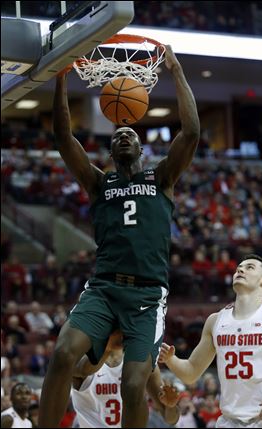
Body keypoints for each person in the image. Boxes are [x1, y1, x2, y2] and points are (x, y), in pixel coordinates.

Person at [38, 44, 200, 429]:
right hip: (104, 288)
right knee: (63, 354)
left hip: (146, 296)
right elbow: (64, 138)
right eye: (117, 135)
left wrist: (176, 71)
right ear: (110, 151)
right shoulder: (98, 183)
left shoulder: (161, 178)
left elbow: (191, 132)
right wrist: (61, 77)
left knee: (132, 383)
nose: (123, 137)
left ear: (141, 148)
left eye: (130, 134)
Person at [159, 254, 262, 428]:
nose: (240, 269)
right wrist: (170, 360)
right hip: (229, 421)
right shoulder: (215, 320)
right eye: (238, 267)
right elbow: (191, 372)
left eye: (249, 267)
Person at [71, 331, 179, 427]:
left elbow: (171, 419)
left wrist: (170, 406)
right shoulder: (81, 359)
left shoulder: (141, 363)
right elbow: (80, 370)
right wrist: (107, 348)